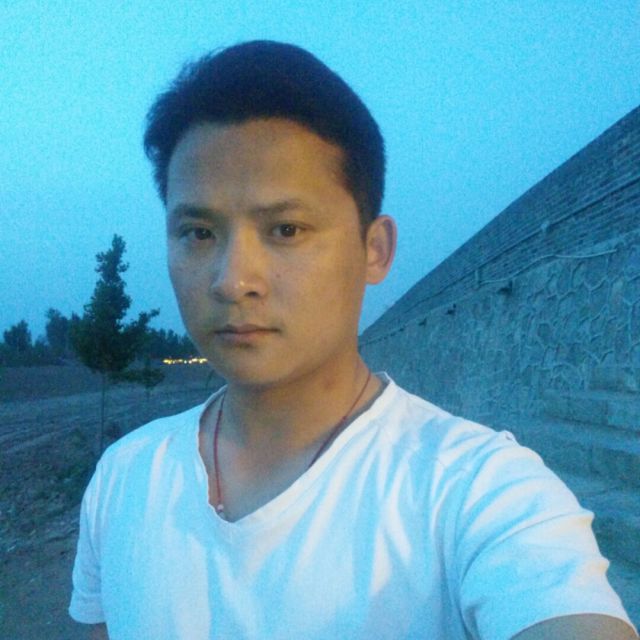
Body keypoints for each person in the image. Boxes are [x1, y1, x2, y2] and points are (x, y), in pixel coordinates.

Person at [69, 40, 636, 640]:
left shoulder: (476, 491)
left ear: (375, 250)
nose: (233, 280)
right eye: (199, 233)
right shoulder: (124, 477)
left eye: (286, 229)